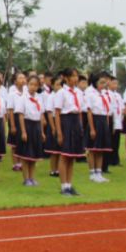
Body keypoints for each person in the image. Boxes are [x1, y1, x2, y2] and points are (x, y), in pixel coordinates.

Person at [53, 68, 85, 196]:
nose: (75, 78)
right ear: (65, 78)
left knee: (72, 157)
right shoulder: (61, 92)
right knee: (64, 156)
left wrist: (81, 127)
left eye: (77, 76)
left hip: (75, 121)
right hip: (66, 121)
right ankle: (63, 187)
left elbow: (80, 111)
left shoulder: (78, 92)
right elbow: (57, 113)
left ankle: (69, 185)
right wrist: (59, 132)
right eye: (73, 76)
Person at [14, 75, 47, 186]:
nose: (33, 87)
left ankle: (32, 177)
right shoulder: (23, 98)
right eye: (31, 84)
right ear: (27, 85)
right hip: (27, 125)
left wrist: (42, 131)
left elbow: (41, 115)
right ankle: (26, 178)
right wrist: (23, 131)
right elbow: (21, 115)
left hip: (36, 126)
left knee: (34, 156)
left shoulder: (39, 98)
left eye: (35, 85)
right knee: (25, 154)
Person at [84, 72, 112, 183]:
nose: (103, 85)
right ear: (95, 83)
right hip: (95, 120)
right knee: (92, 149)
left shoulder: (104, 94)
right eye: (101, 82)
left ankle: (99, 172)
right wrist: (92, 128)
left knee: (100, 149)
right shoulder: (90, 94)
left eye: (105, 83)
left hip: (103, 120)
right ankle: (92, 173)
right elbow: (89, 112)